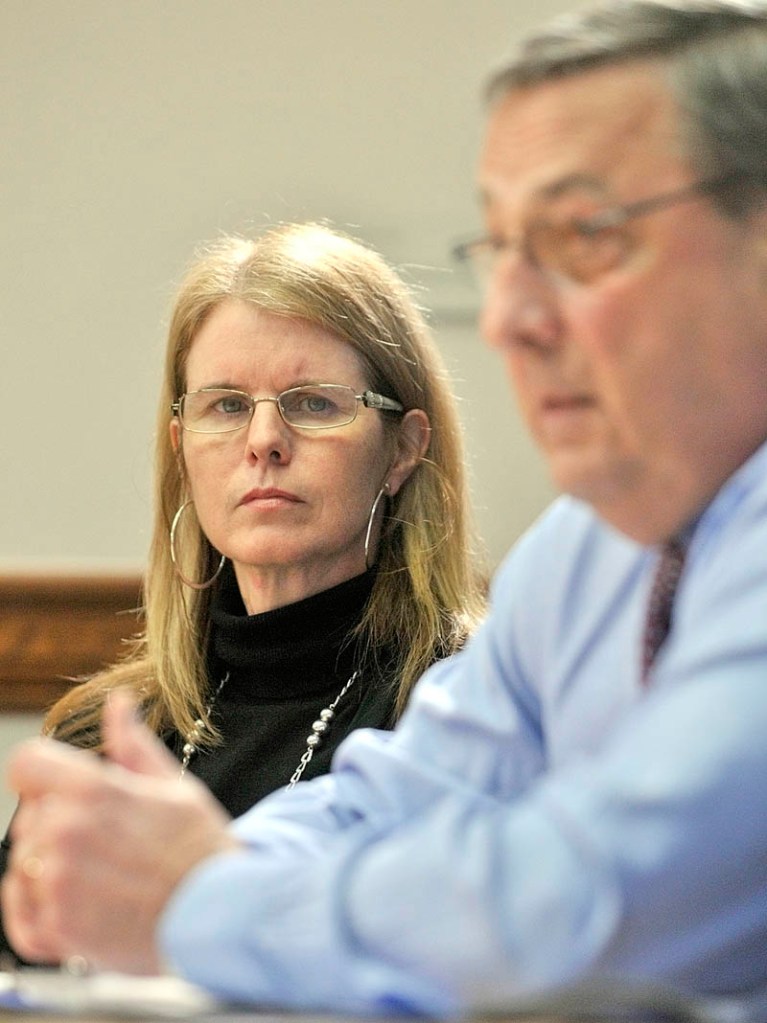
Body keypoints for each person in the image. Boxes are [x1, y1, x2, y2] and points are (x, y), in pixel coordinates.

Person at [4, 0, 767, 1013]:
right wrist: (170, 869)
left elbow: (588, 901)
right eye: (500, 252)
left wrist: (202, 900)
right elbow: (400, 795)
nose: (506, 321)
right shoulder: (589, 549)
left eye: (582, 237)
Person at [0, 222, 486, 959]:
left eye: (313, 403)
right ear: (181, 449)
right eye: (226, 405)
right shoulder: (98, 736)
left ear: (402, 449)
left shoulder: (465, 706)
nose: (263, 439)